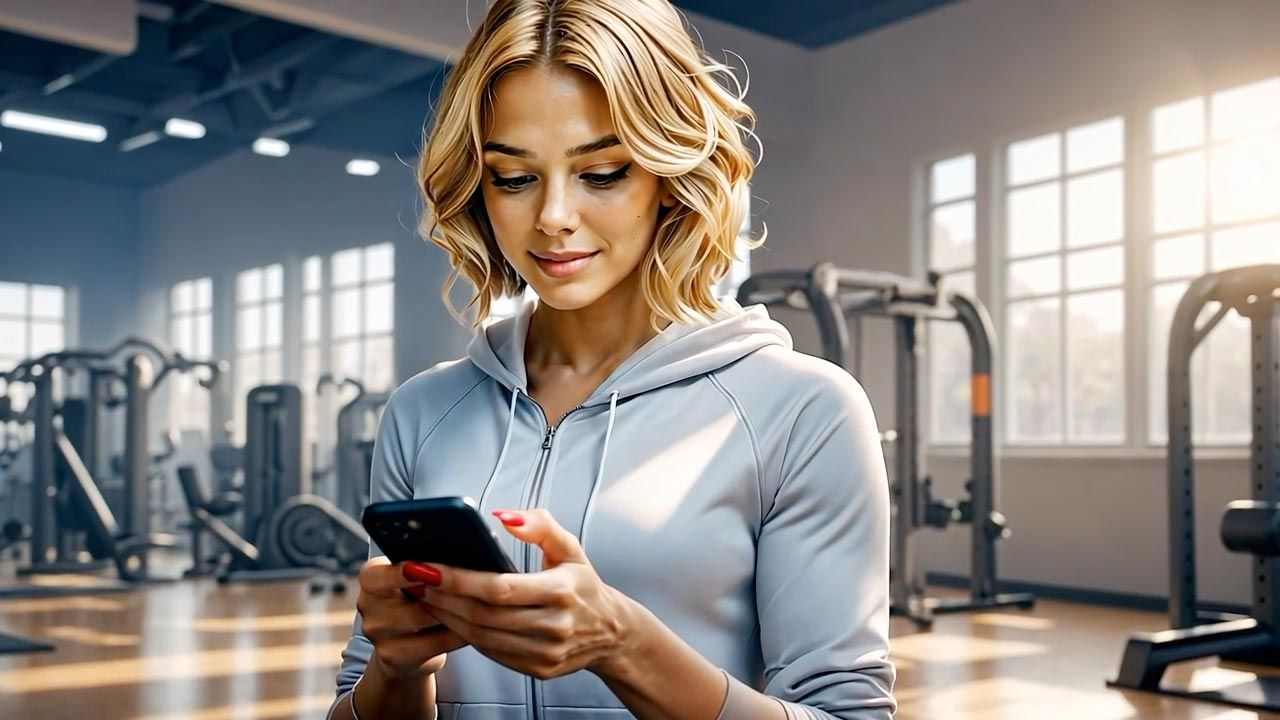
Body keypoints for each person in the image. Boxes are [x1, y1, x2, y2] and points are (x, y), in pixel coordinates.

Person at [329, 0, 895, 718]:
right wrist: (399, 669)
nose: (553, 215)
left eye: (601, 172)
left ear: (671, 176)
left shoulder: (803, 410)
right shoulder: (421, 412)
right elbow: (353, 705)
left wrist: (624, 644)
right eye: (513, 177)